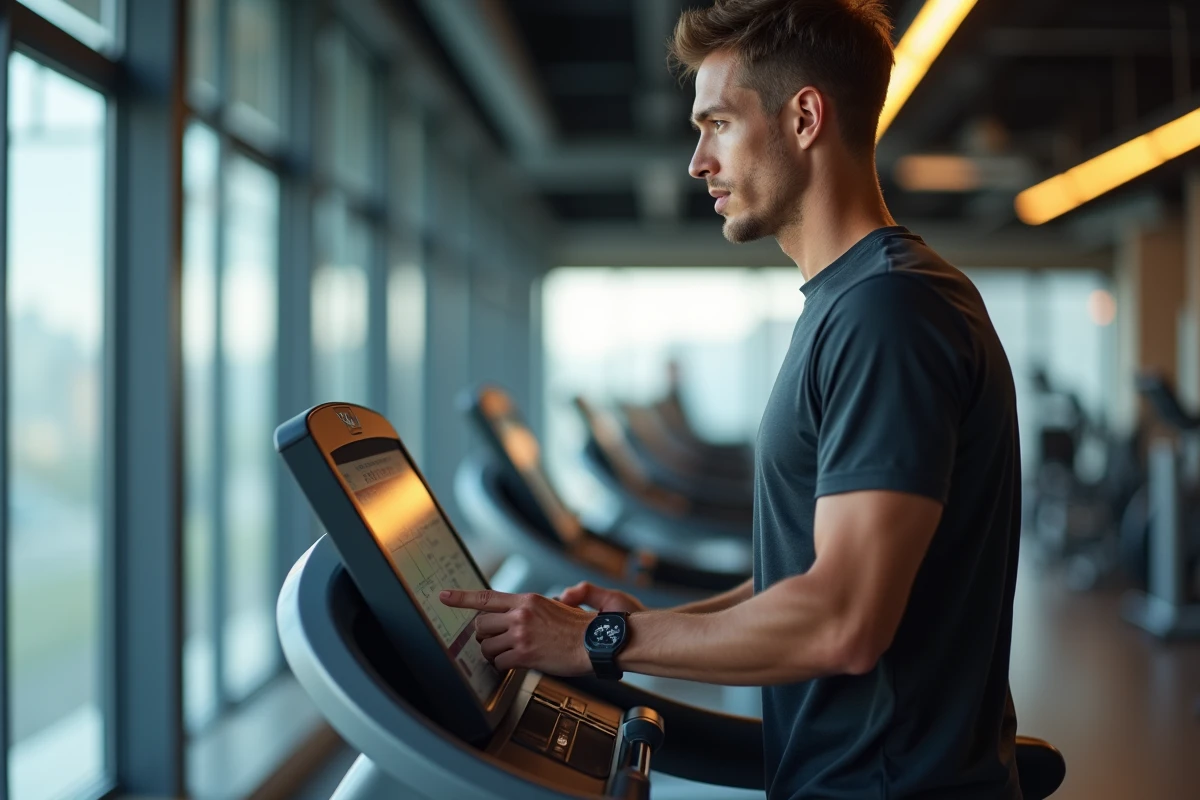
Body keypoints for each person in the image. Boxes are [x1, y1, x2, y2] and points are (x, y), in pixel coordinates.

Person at [442, 0, 1022, 797]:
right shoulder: (852, 303)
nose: (697, 162)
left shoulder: (888, 315)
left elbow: (842, 620)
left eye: (716, 123)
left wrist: (603, 641)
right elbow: (809, 576)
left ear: (805, 118)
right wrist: (642, 622)